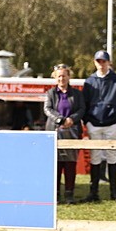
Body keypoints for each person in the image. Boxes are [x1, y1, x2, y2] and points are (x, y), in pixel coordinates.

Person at [82, 50, 116, 202]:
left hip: (112, 124)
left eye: (104, 61)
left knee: (112, 157)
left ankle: (114, 193)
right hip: (94, 123)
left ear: (109, 62)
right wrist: (87, 121)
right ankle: (93, 192)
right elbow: (85, 103)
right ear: (95, 62)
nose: (101, 64)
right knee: (95, 157)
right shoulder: (89, 81)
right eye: (98, 61)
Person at [43, 64, 85, 204]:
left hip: (72, 131)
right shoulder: (50, 94)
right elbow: (47, 109)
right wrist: (60, 120)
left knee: (70, 164)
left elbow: (81, 109)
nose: (62, 78)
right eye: (59, 76)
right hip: (54, 132)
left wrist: (71, 119)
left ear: (69, 77)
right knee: (56, 164)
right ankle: (55, 194)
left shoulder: (77, 94)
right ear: (55, 78)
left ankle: (69, 194)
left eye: (64, 75)